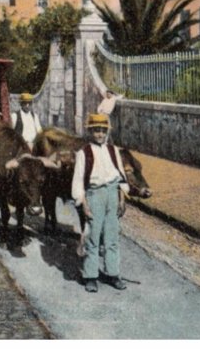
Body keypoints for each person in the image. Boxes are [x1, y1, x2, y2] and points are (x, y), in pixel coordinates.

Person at [71, 113, 129, 293]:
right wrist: (84, 203)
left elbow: (120, 175)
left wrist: (121, 197)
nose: (100, 134)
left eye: (103, 131)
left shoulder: (113, 150)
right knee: (93, 237)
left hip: (112, 193)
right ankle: (90, 276)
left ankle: (113, 273)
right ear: (91, 131)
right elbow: (79, 180)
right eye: (96, 131)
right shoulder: (84, 153)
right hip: (94, 195)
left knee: (112, 237)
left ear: (107, 132)